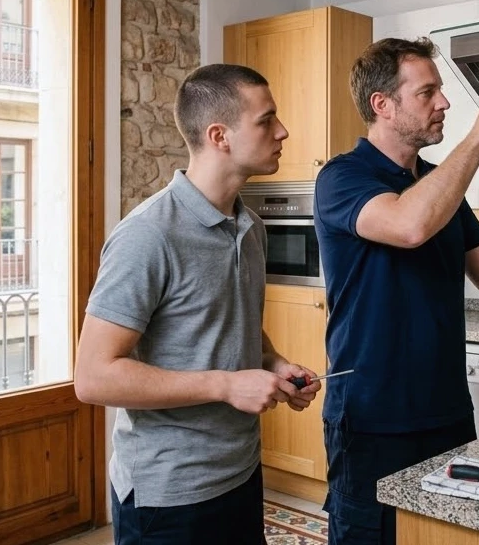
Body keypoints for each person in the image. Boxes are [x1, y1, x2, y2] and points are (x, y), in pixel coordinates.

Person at [314, 37, 479, 545]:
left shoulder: (441, 183)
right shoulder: (342, 177)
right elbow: (409, 225)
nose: (443, 103)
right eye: (427, 92)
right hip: (373, 417)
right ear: (382, 104)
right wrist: (477, 138)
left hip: (447, 411)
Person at [74, 63, 323, 545]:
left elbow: (232, 322)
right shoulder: (148, 234)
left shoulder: (251, 227)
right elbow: (93, 376)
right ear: (219, 136)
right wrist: (227, 385)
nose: (283, 131)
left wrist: (274, 363)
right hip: (168, 494)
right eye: (266, 120)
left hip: (241, 473)